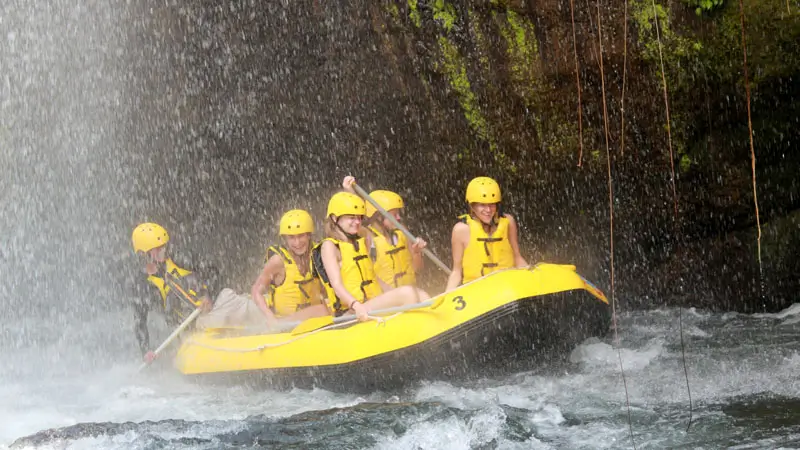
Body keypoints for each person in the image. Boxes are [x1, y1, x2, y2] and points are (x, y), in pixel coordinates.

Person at [130, 223, 263, 364]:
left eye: (164, 246)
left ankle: (271, 323)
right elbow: (140, 322)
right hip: (191, 324)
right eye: (158, 249)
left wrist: (206, 294)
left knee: (233, 298)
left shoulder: (179, 258)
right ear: (144, 254)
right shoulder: (141, 284)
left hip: (215, 305)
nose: (164, 250)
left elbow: (213, 272)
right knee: (218, 321)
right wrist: (146, 351)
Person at [312, 178, 430, 322]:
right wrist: (356, 305)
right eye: (351, 218)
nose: (357, 222)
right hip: (351, 312)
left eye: (359, 218)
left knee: (419, 294)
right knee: (408, 293)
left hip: (371, 304)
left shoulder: (358, 241)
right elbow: (337, 285)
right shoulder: (329, 246)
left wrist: (394, 293)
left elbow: (375, 279)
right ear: (335, 218)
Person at [445, 177, 528, 290]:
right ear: (472, 206)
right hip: (477, 290)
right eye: (482, 205)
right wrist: (447, 296)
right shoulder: (461, 230)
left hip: (507, 286)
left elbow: (517, 258)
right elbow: (456, 272)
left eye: (492, 204)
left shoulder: (508, 221)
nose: (488, 210)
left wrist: (530, 277)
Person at [250, 209, 328, 329]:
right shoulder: (278, 261)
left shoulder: (318, 254)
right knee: (322, 310)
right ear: (285, 239)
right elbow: (256, 291)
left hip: (314, 321)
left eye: (301, 236)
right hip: (287, 323)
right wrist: (270, 318)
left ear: (309, 235)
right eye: (291, 238)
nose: (297, 243)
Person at [360, 189, 426, 288]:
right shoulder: (367, 236)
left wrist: (417, 253)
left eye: (398, 214)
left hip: (411, 293)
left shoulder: (401, 232)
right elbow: (352, 217)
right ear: (378, 217)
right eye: (394, 214)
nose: (399, 218)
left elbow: (418, 269)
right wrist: (348, 189)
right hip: (386, 298)